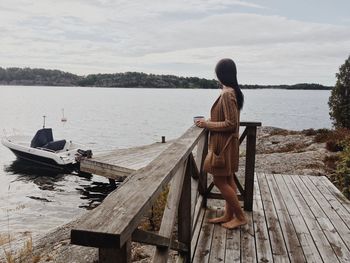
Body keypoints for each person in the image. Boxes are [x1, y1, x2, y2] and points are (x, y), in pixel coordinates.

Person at [195, 58, 247, 229]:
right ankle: (228, 214)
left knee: (219, 181)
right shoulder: (232, 91)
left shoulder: (227, 94)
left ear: (221, 74)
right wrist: (208, 120)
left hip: (223, 147)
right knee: (228, 179)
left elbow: (231, 124)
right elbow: (225, 119)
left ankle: (240, 217)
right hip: (227, 145)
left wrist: (206, 124)